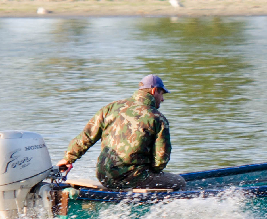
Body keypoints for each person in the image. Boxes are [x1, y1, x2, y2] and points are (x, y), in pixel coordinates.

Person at [57, 74, 186, 190]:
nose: (162, 99)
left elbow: (86, 136)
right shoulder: (158, 118)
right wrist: (151, 172)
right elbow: (161, 160)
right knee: (180, 182)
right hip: (133, 178)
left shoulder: (111, 108)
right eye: (162, 94)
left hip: (104, 176)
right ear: (154, 91)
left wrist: (68, 159)